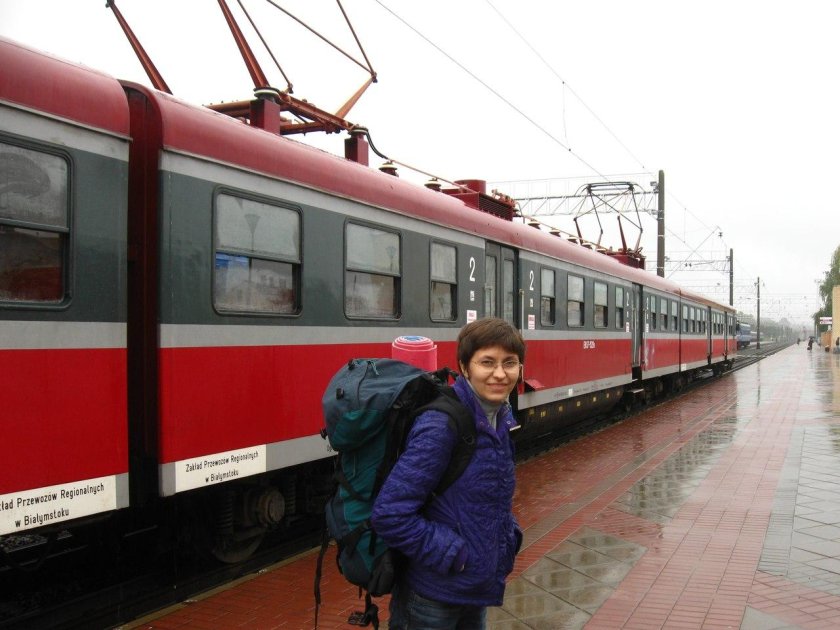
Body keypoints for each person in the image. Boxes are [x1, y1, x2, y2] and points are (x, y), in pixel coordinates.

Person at [371, 317, 524, 629]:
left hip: (473, 588)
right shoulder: (442, 425)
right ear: (465, 367)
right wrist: (451, 552)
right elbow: (390, 514)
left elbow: (489, 499)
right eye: (487, 362)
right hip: (432, 596)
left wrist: (509, 537)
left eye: (510, 362)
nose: (499, 373)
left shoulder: (498, 419)